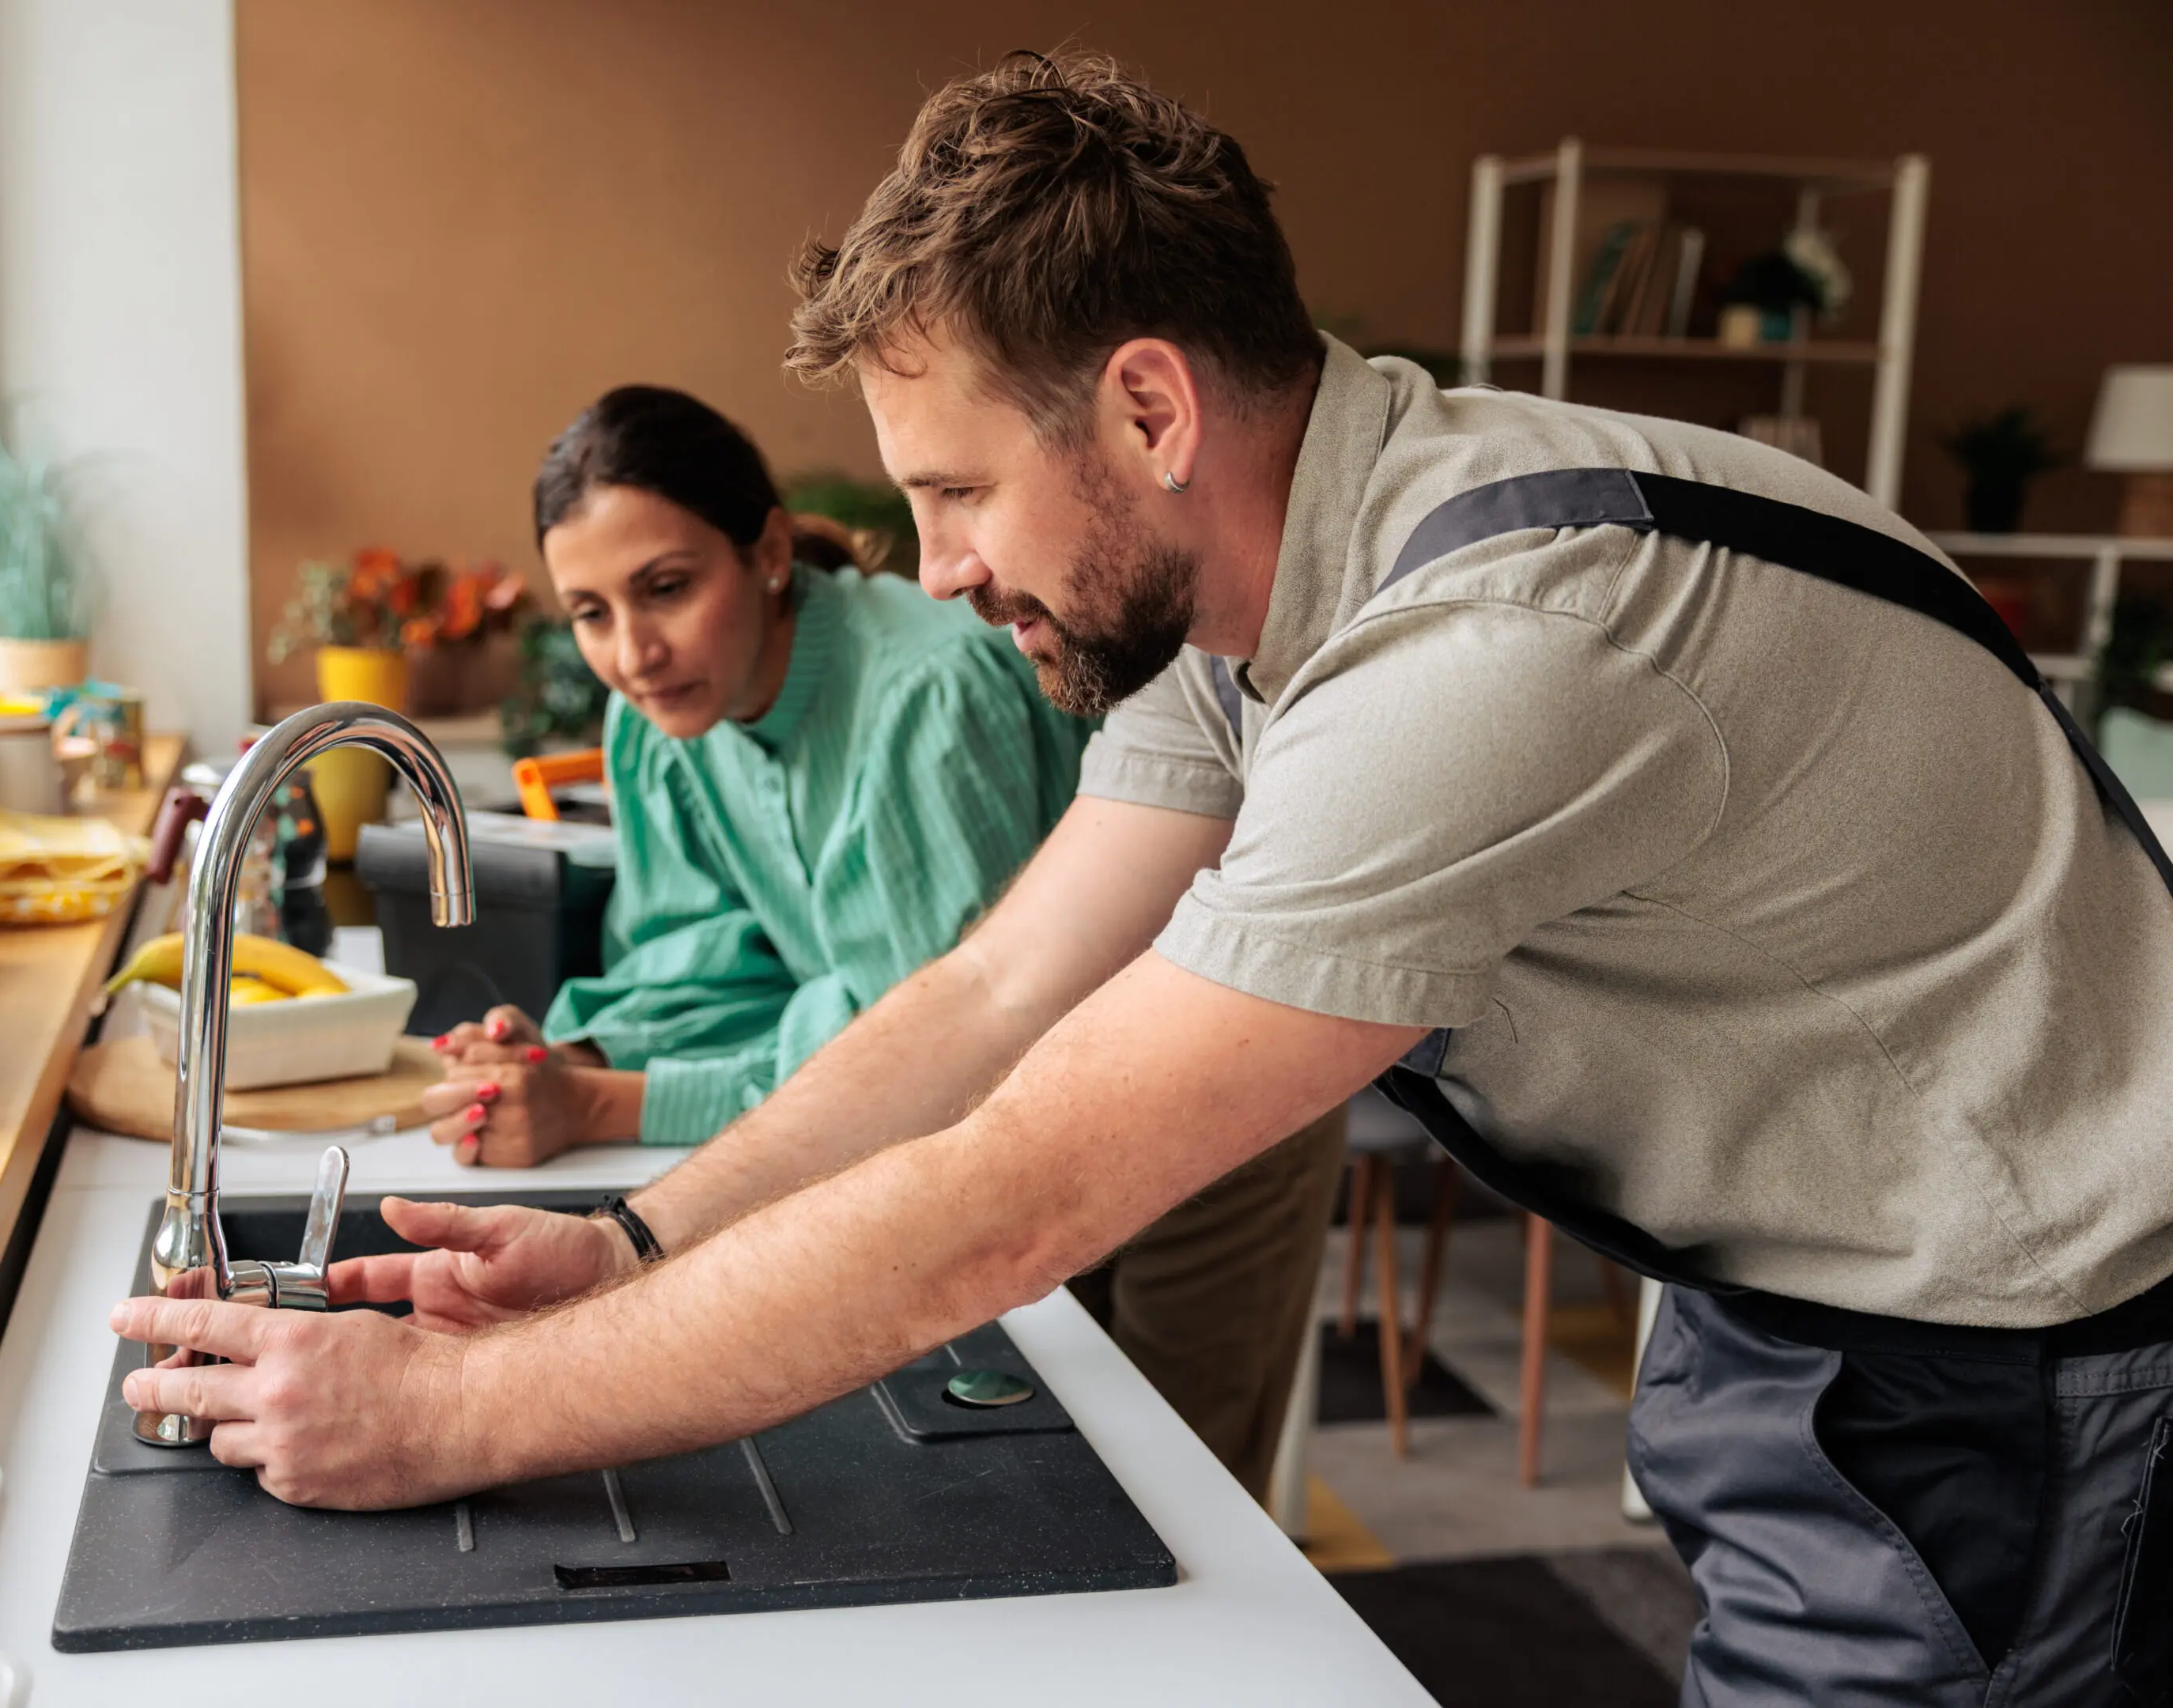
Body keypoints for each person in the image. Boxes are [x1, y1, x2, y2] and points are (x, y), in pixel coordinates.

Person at [115, 54, 2173, 1703]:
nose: (927, 570)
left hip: (1994, 1334)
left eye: (952, 495)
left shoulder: (1484, 651)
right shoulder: (1242, 606)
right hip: (1800, 1267)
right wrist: (641, 1241)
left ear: (1145, 409)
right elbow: (993, 999)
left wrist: (450, 1424)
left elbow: (1001, 1201)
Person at [423, 382, 1346, 1491]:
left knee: (1183, 1506)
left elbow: (949, 1048)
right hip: (982, 1111)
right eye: (590, 613)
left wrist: (611, 1106)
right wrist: (573, 1058)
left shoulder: (925, 692)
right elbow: (704, 966)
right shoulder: (657, 720)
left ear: (766, 552)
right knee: (1037, 1494)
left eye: (666, 589)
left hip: (1206, 1087)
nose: (633, 652)